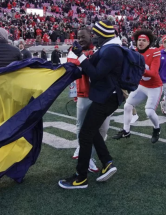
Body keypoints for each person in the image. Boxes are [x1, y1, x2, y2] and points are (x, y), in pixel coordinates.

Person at [59, 21, 124, 189]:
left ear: (103, 36)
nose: (94, 38)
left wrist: (80, 56)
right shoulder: (108, 49)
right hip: (105, 96)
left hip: (106, 98)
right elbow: (89, 66)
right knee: (91, 130)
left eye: (96, 35)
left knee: (85, 135)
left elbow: (95, 74)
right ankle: (107, 162)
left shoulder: (111, 51)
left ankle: (81, 178)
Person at [69, 27, 112, 173]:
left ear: (91, 36)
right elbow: (73, 68)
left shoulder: (101, 49)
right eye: (78, 36)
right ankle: (87, 158)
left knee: (103, 129)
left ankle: (84, 152)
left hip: (101, 95)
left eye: (83, 36)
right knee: (81, 126)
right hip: (83, 93)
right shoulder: (73, 49)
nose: (80, 39)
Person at [113, 29, 162, 143]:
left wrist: (139, 69)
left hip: (154, 86)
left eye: (144, 40)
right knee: (127, 106)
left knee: (149, 111)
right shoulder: (134, 52)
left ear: (149, 42)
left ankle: (156, 128)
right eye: (139, 40)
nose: (141, 42)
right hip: (141, 85)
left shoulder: (154, 52)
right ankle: (126, 130)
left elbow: (154, 73)